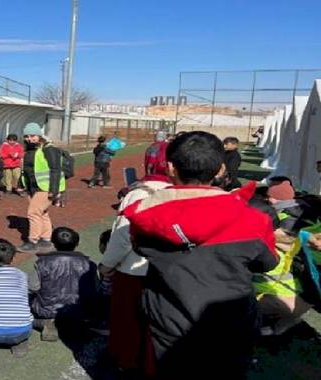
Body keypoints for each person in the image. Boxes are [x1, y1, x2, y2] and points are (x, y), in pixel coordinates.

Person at [122, 131, 278, 378]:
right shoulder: (254, 219)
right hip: (232, 322)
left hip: (170, 319)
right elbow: (268, 263)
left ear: (171, 168)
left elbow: (140, 248)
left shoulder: (144, 215)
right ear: (220, 169)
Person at [99, 154, 171, 373]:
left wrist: (106, 265)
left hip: (133, 270)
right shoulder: (179, 193)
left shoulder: (139, 193)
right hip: (168, 271)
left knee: (127, 322)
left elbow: (124, 236)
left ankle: (126, 362)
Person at [252, 180, 312, 336]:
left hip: (279, 295)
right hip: (303, 294)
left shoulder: (284, 223)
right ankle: (282, 323)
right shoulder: (302, 214)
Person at [27, 227, 98, 342]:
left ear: (53, 243)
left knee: (27, 302)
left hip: (47, 311)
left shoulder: (42, 262)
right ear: (77, 243)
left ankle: (47, 323)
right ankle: (79, 324)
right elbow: (95, 289)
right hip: (80, 310)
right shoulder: (89, 264)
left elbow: (32, 287)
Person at [18, 123, 64, 253]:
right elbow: (26, 169)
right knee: (43, 213)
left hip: (45, 187)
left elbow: (56, 170)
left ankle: (33, 241)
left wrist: (54, 190)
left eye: (32, 136)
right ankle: (45, 240)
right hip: (32, 187)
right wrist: (21, 184)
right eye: (26, 136)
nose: (29, 139)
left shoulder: (48, 149)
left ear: (39, 135)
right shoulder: (29, 150)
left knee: (33, 213)